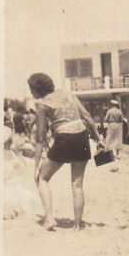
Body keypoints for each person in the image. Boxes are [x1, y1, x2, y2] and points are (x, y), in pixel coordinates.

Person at [28, 73, 105, 231]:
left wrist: (36, 165)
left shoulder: (41, 104)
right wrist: (99, 139)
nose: (31, 93)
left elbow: (41, 139)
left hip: (64, 137)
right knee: (77, 184)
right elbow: (87, 117)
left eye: (31, 89)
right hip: (82, 136)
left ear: (37, 89)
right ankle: (77, 225)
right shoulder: (67, 93)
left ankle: (49, 219)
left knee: (42, 178)